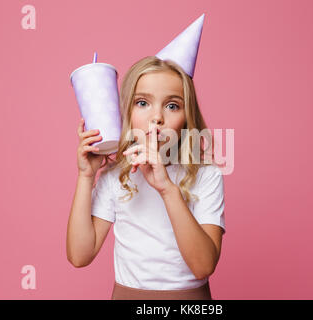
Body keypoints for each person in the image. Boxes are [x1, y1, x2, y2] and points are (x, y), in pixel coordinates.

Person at [67, 14, 225, 300]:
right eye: (143, 103)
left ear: (187, 118)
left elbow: (203, 266)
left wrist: (167, 188)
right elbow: (80, 255)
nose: (156, 118)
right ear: (127, 113)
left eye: (172, 106)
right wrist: (86, 176)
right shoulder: (116, 177)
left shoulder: (206, 175)